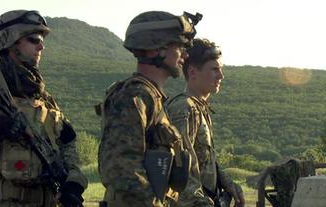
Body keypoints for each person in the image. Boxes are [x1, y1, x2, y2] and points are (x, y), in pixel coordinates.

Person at [0, 10, 87, 207]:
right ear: (9, 42)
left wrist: (74, 184)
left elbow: (68, 148)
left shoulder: (45, 101)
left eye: (42, 40)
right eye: (34, 39)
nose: (41, 46)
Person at [96, 11, 202, 207]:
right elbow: (123, 170)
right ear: (156, 49)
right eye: (179, 46)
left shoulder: (153, 97)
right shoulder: (134, 96)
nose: (185, 55)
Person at [166, 38, 245, 207]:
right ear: (193, 72)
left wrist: (228, 183)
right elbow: (181, 169)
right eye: (214, 69)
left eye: (221, 69)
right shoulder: (184, 108)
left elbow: (204, 160)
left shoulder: (199, 108)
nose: (221, 75)